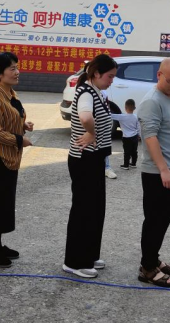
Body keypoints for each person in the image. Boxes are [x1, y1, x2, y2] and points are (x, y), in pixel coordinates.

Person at [63, 55, 117, 278]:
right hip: (84, 159)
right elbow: (85, 117)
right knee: (83, 210)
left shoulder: (97, 91)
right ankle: (74, 262)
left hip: (94, 158)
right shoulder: (86, 92)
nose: (112, 81)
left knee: (95, 209)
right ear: (96, 74)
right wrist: (91, 133)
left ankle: (90, 254)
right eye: (109, 76)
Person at [0, 52, 33, 268]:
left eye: (17, 67)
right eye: (12, 68)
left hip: (10, 157)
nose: (17, 71)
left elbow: (10, 119)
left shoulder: (10, 93)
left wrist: (23, 125)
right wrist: (20, 140)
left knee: (3, 204)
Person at [136, 58, 170, 288]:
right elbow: (150, 136)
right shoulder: (152, 101)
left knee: (162, 220)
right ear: (159, 75)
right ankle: (147, 268)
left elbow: (167, 129)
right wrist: (164, 169)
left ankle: (153, 258)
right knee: (155, 221)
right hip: (157, 173)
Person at [110, 98, 139, 170]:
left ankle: (126, 165)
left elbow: (111, 115)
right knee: (134, 151)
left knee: (127, 152)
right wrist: (139, 134)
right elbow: (138, 127)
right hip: (135, 136)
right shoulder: (136, 117)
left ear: (125, 108)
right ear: (134, 108)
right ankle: (133, 163)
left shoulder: (121, 117)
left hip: (126, 137)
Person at [100, 89, 117, 179]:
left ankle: (106, 167)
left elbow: (107, 105)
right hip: (95, 124)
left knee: (104, 145)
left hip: (103, 124)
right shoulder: (88, 91)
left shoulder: (103, 92)